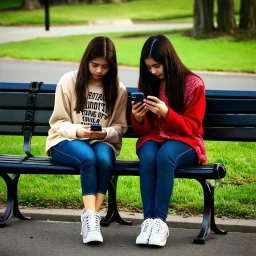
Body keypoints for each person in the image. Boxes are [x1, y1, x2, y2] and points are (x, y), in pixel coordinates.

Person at [45, 36, 128, 244]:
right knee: (88, 158)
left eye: (105, 67)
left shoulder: (118, 90)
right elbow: (58, 123)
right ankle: (92, 219)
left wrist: (105, 134)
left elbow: (119, 128)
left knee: (104, 160)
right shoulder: (68, 81)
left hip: (101, 142)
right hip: (64, 140)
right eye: (94, 65)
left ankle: (92, 216)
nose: (99, 71)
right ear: (86, 61)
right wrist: (77, 131)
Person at [131, 34, 207, 247]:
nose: (153, 72)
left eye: (157, 66)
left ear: (169, 59)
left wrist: (167, 114)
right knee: (147, 155)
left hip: (187, 142)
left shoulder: (193, 84)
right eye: (148, 67)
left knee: (165, 156)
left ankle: (160, 223)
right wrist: (138, 117)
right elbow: (144, 130)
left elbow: (192, 128)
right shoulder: (150, 82)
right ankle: (148, 221)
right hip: (155, 138)